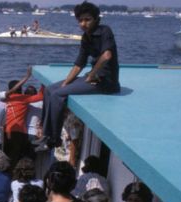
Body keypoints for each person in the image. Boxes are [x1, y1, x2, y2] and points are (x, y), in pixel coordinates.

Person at [37, 1, 120, 148]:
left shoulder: (105, 31)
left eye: (87, 19)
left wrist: (92, 74)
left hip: (105, 82)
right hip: (92, 77)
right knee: (50, 90)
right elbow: (79, 64)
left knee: (57, 96)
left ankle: (54, 139)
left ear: (96, 19)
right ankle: (44, 133)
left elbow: (107, 55)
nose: (83, 23)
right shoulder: (85, 38)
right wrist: (66, 83)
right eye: (80, 20)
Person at [0, 67, 45, 166]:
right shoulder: (24, 99)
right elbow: (41, 96)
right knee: (17, 156)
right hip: (20, 132)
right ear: (21, 89)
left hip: (7, 131)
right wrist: (43, 82)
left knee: (6, 154)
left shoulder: (4, 98)